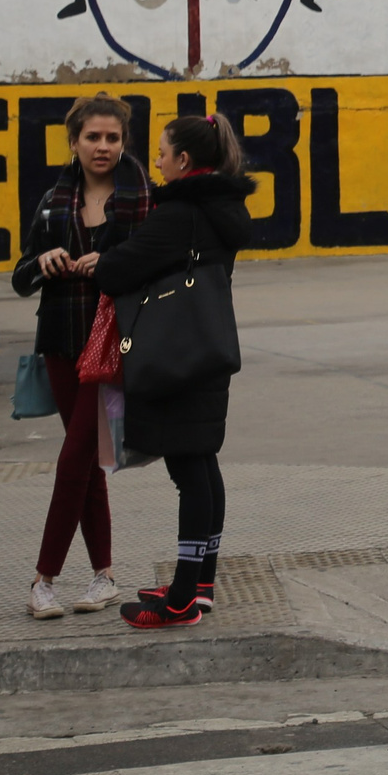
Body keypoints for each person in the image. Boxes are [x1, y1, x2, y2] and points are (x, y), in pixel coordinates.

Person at [93, 114, 255, 629]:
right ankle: (199, 582)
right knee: (202, 466)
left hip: (172, 357)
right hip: (206, 350)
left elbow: (117, 270)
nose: (156, 161)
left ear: (183, 160)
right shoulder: (220, 208)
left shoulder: (179, 214)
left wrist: (96, 258)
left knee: (190, 474)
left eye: (162, 152)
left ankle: (183, 599)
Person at [9, 93, 148, 619]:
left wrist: (111, 262)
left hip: (115, 345)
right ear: (74, 142)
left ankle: (44, 578)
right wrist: (42, 260)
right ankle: (104, 577)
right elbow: (20, 278)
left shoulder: (140, 200)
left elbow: (154, 269)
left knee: (74, 458)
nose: (103, 146)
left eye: (113, 137)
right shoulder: (52, 200)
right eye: (93, 137)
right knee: (86, 463)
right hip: (62, 341)